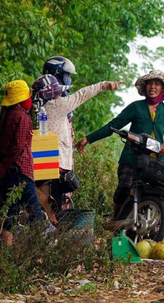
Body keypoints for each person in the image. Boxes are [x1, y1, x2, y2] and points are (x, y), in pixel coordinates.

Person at [75, 70, 164, 242]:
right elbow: (113, 126)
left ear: (163, 89)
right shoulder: (136, 107)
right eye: (150, 84)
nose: (152, 87)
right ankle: (116, 219)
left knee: (163, 197)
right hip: (132, 159)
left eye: (157, 84)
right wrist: (88, 138)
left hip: (156, 162)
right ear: (144, 88)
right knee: (124, 187)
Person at [32, 74, 121, 215]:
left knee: (39, 204)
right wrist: (104, 85)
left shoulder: (34, 108)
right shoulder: (57, 105)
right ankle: (51, 234)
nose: (61, 93)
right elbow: (82, 94)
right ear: (52, 93)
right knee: (54, 207)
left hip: (39, 164)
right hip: (56, 166)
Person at [0, 80, 43, 246]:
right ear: (22, 99)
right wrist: (4, 168)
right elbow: (18, 148)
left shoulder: (4, 118)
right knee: (36, 215)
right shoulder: (21, 117)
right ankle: (40, 255)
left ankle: (6, 253)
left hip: (9, 174)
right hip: (20, 173)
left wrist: (0, 169)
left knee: (11, 215)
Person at [41, 56, 78, 210]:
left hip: (65, 152)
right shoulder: (46, 98)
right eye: (66, 75)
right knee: (51, 191)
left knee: (64, 191)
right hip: (51, 154)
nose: (68, 79)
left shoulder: (63, 96)